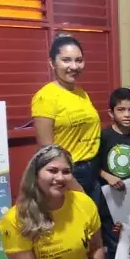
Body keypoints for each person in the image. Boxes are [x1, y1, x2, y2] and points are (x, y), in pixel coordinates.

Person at [32, 34, 101, 200]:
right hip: (67, 173)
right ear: (52, 63)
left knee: (92, 223)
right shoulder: (45, 97)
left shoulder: (81, 93)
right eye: (66, 60)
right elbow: (47, 150)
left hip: (92, 169)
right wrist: (73, 184)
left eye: (79, 60)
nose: (74, 66)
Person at [96, 87, 130, 259]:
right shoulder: (104, 136)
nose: (127, 114)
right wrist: (108, 176)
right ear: (111, 113)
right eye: (121, 110)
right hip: (110, 199)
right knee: (114, 240)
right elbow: (94, 165)